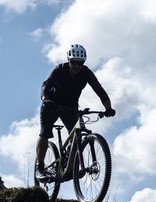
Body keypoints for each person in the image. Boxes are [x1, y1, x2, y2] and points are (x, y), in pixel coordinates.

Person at [35, 44, 115, 180]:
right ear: (68, 60)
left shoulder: (86, 73)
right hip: (51, 104)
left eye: (80, 63)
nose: (77, 66)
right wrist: (45, 99)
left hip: (70, 106)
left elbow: (99, 90)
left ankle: (69, 165)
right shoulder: (60, 69)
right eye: (74, 62)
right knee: (45, 133)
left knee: (75, 137)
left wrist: (108, 108)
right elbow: (46, 84)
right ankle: (40, 166)